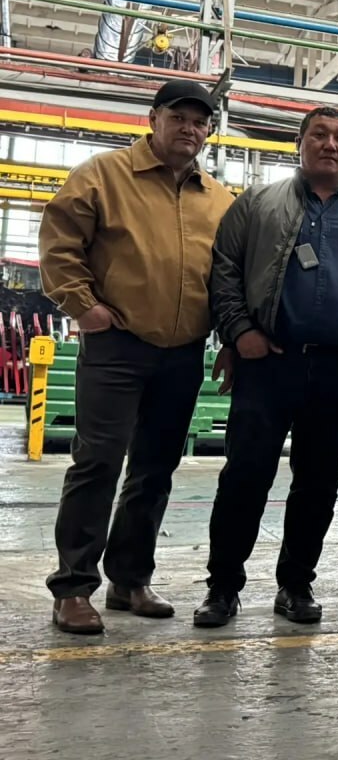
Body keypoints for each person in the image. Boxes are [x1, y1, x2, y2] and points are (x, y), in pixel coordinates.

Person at [193, 107, 338, 627]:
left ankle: (296, 584)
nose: (331, 144)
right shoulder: (256, 203)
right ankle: (223, 587)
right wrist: (239, 331)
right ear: (300, 143)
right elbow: (224, 268)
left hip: (337, 370)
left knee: (318, 484)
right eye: (320, 135)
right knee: (245, 477)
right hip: (268, 365)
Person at [38, 79, 234, 634]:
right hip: (117, 345)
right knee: (97, 462)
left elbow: (228, 276)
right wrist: (85, 308)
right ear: (153, 119)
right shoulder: (103, 176)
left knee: (154, 468)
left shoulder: (218, 199)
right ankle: (73, 587)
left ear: (208, 131)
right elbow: (59, 243)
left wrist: (227, 337)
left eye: (199, 122)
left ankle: (129, 579)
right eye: (179, 118)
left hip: (183, 352)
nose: (189, 129)